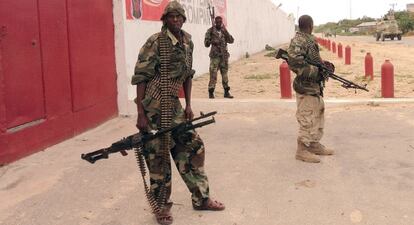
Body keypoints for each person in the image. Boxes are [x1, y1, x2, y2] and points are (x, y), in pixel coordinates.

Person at [131, 1, 225, 224]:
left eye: (179, 16)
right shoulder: (155, 42)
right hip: (154, 107)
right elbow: (141, 77)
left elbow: (188, 75)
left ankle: (201, 197)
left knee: (193, 147)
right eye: (171, 16)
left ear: (183, 19)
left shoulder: (188, 41)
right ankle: (162, 205)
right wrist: (141, 114)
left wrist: (189, 104)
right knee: (158, 156)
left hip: (175, 106)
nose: (176, 20)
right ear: (165, 19)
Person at [286, 15, 334, 163]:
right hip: (305, 86)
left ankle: (313, 144)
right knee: (307, 117)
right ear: (310, 25)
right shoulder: (299, 41)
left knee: (317, 113)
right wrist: (316, 71)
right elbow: (294, 64)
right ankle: (301, 150)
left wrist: (323, 65)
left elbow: (313, 58)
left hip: (314, 86)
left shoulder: (309, 39)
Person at [204, 16, 235, 99]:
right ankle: (211, 92)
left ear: (222, 23)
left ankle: (226, 92)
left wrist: (226, 31)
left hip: (224, 56)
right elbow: (206, 44)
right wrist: (212, 41)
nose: (218, 23)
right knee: (213, 74)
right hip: (215, 56)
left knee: (224, 74)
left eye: (220, 22)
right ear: (215, 22)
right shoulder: (210, 31)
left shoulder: (223, 31)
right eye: (217, 22)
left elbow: (231, 40)